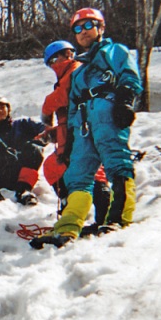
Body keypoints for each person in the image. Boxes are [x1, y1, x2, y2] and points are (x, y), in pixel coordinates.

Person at [30, 8, 143, 249]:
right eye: (77, 29)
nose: (82, 32)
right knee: (76, 176)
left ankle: (118, 219)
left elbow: (129, 76)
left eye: (88, 25)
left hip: (106, 112)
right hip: (82, 124)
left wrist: (125, 100)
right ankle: (68, 227)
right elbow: (71, 105)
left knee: (116, 162)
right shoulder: (80, 70)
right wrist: (67, 138)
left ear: (100, 27)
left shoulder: (114, 51)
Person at [41, 40, 111, 229]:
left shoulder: (76, 71)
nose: (54, 65)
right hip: (75, 136)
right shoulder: (70, 74)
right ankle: (71, 203)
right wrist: (55, 133)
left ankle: (103, 216)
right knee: (54, 167)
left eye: (54, 61)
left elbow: (65, 95)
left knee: (89, 171)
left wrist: (46, 109)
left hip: (84, 135)